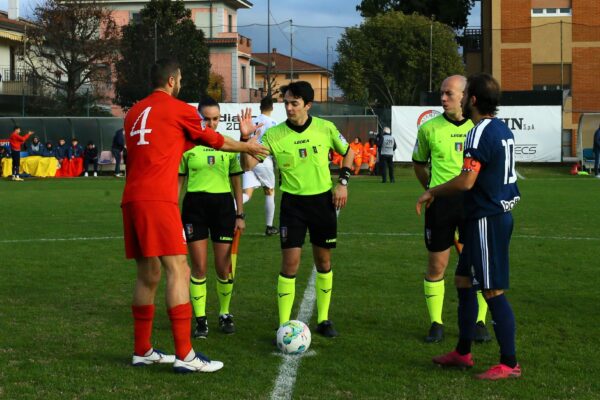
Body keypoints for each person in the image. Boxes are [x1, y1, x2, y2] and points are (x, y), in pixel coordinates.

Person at [122, 58, 267, 374]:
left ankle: (142, 349)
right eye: (181, 78)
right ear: (173, 81)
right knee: (179, 268)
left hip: (131, 198)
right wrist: (247, 146)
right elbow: (214, 140)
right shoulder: (179, 109)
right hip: (158, 200)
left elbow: (168, 144)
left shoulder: (133, 113)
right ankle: (185, 355)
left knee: (148, 273)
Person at [416, 73, 522, 380]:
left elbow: (467, 180)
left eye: (462, 95)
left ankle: (510, 362)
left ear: (472, 100)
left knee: (492, 290)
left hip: (487, 218)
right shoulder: (502, 129)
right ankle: (462, 352)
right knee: (463, 281)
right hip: (489, 216)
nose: (457, 99)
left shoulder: (478, 132)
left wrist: (432, 191)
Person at [243, 81, 355, 338]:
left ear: (308, 105)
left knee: (323, 261)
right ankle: (284, 324)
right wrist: (246, 139)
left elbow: (349, 153)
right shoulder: (273, 134)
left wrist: (343, 183)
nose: (290, 108)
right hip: (293, 206)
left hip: (322, 203)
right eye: (286, 103)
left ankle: (324, 319)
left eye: (295, 103)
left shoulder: (325, 128)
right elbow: (247, 164)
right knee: (290, 263)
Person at [412, 75, 490, 344]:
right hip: (441, 205)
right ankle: (436, 323)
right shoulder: (429, 129)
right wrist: (431, 190)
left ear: (465, 95)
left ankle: (479, 322)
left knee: (477, 265)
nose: (443, 99)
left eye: (449, 94)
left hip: (473, 204)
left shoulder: (478, 127)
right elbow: (419, 164)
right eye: (441, 94)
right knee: (437, 265)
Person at [179, 97, 245, 339]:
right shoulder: (187, 145)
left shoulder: (226, 145)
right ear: (198, 118)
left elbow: (237, 180)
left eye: (215, 119)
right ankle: (201, 321)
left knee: (223, 267)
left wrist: (240, 214)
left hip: (223, 208)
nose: (211, 123)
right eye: (206, 119)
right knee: (199, 267)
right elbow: (179, 181)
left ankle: (224, 313)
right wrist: (172, 212)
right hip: (195, 208)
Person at [242, 96, 279, 236]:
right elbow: (273, 144)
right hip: (262, 159)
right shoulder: (273, 123)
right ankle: (269, 227)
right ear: (272, 107)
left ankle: (227, 211)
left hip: (246, 158)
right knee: (269, 191)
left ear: (260, 107)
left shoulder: (251, 121)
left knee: (247, 194)